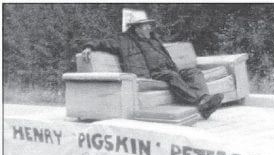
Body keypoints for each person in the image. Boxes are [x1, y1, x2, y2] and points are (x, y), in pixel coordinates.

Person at [82, 18, 224, 119]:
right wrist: (88, 46)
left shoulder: (153, 39)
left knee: (194, 72)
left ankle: (205, 99)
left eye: (150, 25)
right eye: (146, 26)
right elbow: (104, 42)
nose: (150, 28)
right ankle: (200, 103)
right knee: (172, 77)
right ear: (136, 28)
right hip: (153, 73)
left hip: (170, 69)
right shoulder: (124, 41)